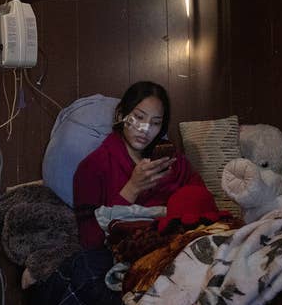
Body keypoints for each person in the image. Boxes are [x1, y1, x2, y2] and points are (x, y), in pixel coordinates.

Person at [72, 81, 204, 249]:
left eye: (155, 123)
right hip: (131, 254)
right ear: (121, 115)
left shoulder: (175, 162)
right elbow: (90, 241)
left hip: (184, 245)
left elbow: (204, 206)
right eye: (139, 117)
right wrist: (132, 188)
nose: (145, 128)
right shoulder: (92, 167)